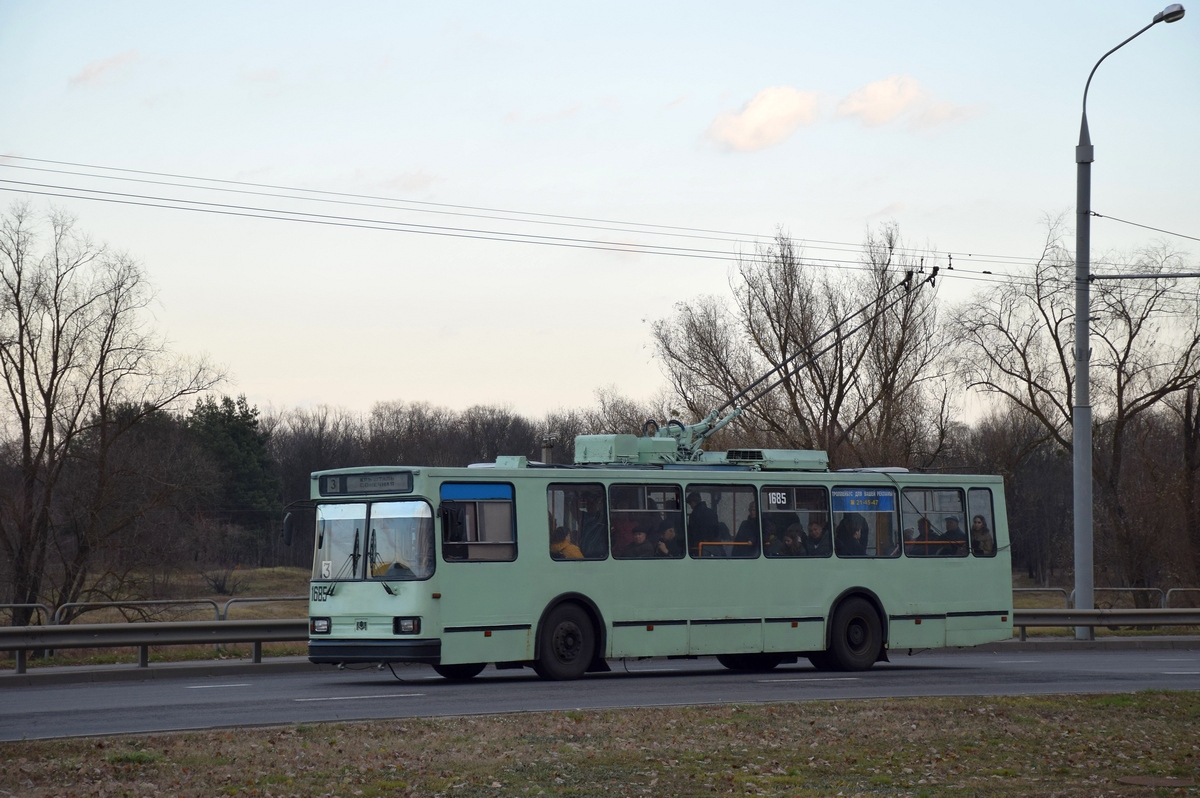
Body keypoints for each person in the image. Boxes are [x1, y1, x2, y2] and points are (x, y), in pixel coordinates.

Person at [686, 491, 719, 556]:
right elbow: (717, 531)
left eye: (690, 504)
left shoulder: (694, 515)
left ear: (692, 502)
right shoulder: (712, 512)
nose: (691, 507)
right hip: (713, 546)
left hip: (698, 547)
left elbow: (692, 533)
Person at [578, 493, 608, 558]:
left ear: (597, 504)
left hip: (599, 552)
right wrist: (577, 497)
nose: (590, 506)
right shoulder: (583, 516)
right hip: (584, 551)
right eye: (588, 504)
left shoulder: (602, 517)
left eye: (592, 503)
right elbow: (572, 508)